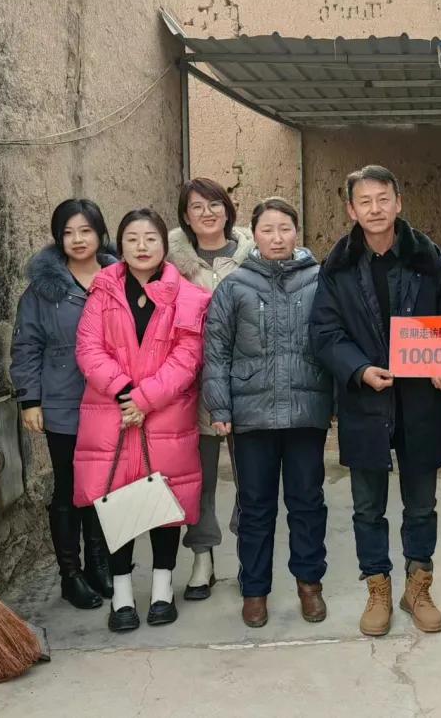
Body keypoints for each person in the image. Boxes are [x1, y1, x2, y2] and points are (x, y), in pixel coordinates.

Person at [309, 165, 441, 637]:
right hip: (365, 401)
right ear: (351, 210)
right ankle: (378, 588)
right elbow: (325, 332)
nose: (375, 209)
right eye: (364, 201)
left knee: (421, 505)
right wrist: (358, 370)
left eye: (383, 199)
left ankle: (419, 586)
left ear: (398, 202)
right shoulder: (337, 268)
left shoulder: (430, 259)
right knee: (367, 507)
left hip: (421, 401)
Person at [73, 208, 211, 633]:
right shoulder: (103, 290)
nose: (142, 246)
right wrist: (123, 392)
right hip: (112, 413)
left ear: (164, 245)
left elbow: (188, 356)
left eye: (150, 238)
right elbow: (88, 348)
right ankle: (122, 595)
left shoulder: (188, 297)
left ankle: (163, 589)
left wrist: (146, 399)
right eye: (132, 239)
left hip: (165, 413)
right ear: (120, 246)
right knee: (119, 504)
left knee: (164, 500)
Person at [202, 197, 333, 628]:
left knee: (307, 502)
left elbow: (335, 339)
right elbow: (216, 351)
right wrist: (220, 406)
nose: (277, 238)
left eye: (285, 229)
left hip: (305, 411)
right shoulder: (234, 286)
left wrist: (335, 400)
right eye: (267, 230)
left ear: (297, 232)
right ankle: (254, 589)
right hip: (250, 416)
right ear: (253, 235)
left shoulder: (320, 280)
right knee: (255, 507)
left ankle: (309, 584)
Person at [11, 199, 119, 610]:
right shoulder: (43, 290)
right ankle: (70, 575)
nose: (77, 239)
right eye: (68, 232)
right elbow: (26, 346)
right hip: (62, 400)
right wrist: (30, 400)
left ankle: (99, 563)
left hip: (109, 398)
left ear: (100, 234)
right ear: (58, 238)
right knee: (69, 486)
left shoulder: (119, 277)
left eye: (85, 231)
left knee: (104, 484)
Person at [168, 178, 254, 600]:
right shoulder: (171, 264)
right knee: (198, 477)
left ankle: (248, 552)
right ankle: (202, 555)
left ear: (228, 209)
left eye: (215, 204)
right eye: (197, 206)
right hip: (192, 386)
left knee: (250, 476)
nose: (207, 213)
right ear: (185, 216)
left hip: (247, 384)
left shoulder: (252, 257)